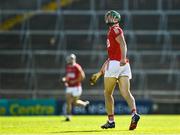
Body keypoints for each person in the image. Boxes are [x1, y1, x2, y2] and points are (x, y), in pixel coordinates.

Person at [90, 10, 140, 130]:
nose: (107, 18)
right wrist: (100, 72)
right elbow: (109, 58)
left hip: (116, 64)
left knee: (107, 93)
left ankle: (111, 121)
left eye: (110, 17)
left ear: (116, 19)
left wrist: (122, 58)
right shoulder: (112, 31)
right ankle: (134, 113)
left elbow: (123, 44)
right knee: (126, 92)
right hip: (122, 65)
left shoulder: (115, 29)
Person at [61, 54, 89, 121]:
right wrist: (65, 80)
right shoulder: (68, 67)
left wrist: (75, 81)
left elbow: (83, 76)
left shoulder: (77, 67)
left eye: (71, 59)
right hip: (69, 87)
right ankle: (68, 116)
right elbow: (68, 77)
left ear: (74, 59)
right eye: (69, 59)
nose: (69, 60)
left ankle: (84, 104)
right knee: (68, 102)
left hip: (76, 87)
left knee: (74, 103)